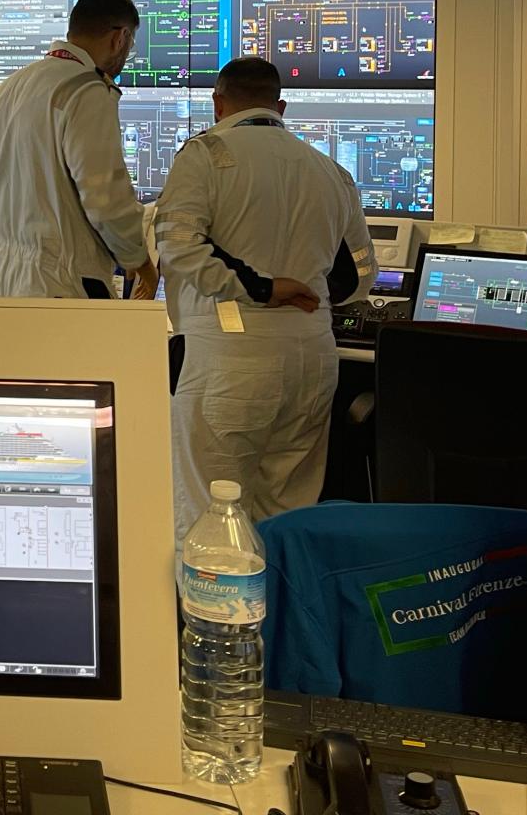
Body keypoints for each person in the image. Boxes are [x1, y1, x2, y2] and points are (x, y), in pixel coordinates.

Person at [156, 56, 377, 545]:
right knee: (287, 513)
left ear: (218, 103)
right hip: (312, 360)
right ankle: (283, 619)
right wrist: (304, 289)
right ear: (281, 106)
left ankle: (215, 622)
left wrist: (262, 287)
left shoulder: (205, 155)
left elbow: (178, 246)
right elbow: (360, 278)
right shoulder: (331, 171)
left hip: (228, 360)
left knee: (212, 514)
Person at [0, 0, 157, 300]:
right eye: (129, 45)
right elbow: (106, 199)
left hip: (8, 280)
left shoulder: (5, 89)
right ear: (120, 38)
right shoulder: (85, 90)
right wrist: (140, 261)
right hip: (66, 283)